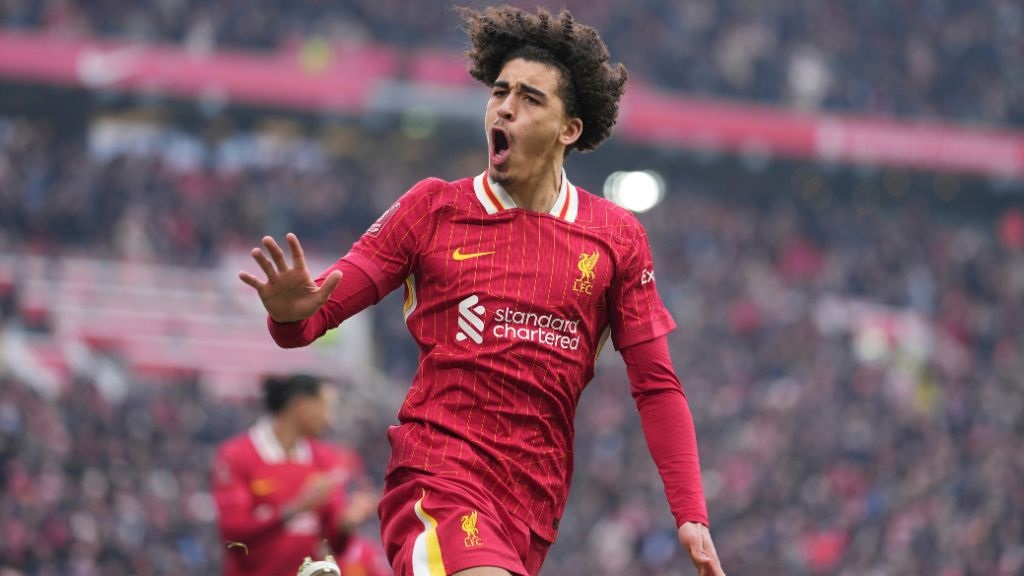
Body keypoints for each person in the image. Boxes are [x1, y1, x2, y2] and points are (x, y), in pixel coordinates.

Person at [239, 6, 726, 576]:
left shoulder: (616, 238)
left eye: (530, 98)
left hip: (533, 505)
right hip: (437, 478)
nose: (506, 107)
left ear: (570, 129)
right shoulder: (434, 208)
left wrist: (691, 512)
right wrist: (291, 313)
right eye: (499, 92)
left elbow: (657, 386)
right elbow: (313, 316)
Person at [212, 374, 389, 576]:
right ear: (300, 407)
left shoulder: (324, 459)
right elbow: (233, 534)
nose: (330, 419)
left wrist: (346, 523)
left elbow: (335, 545)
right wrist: (296, 508)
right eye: (325, 408)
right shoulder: (237, 455)